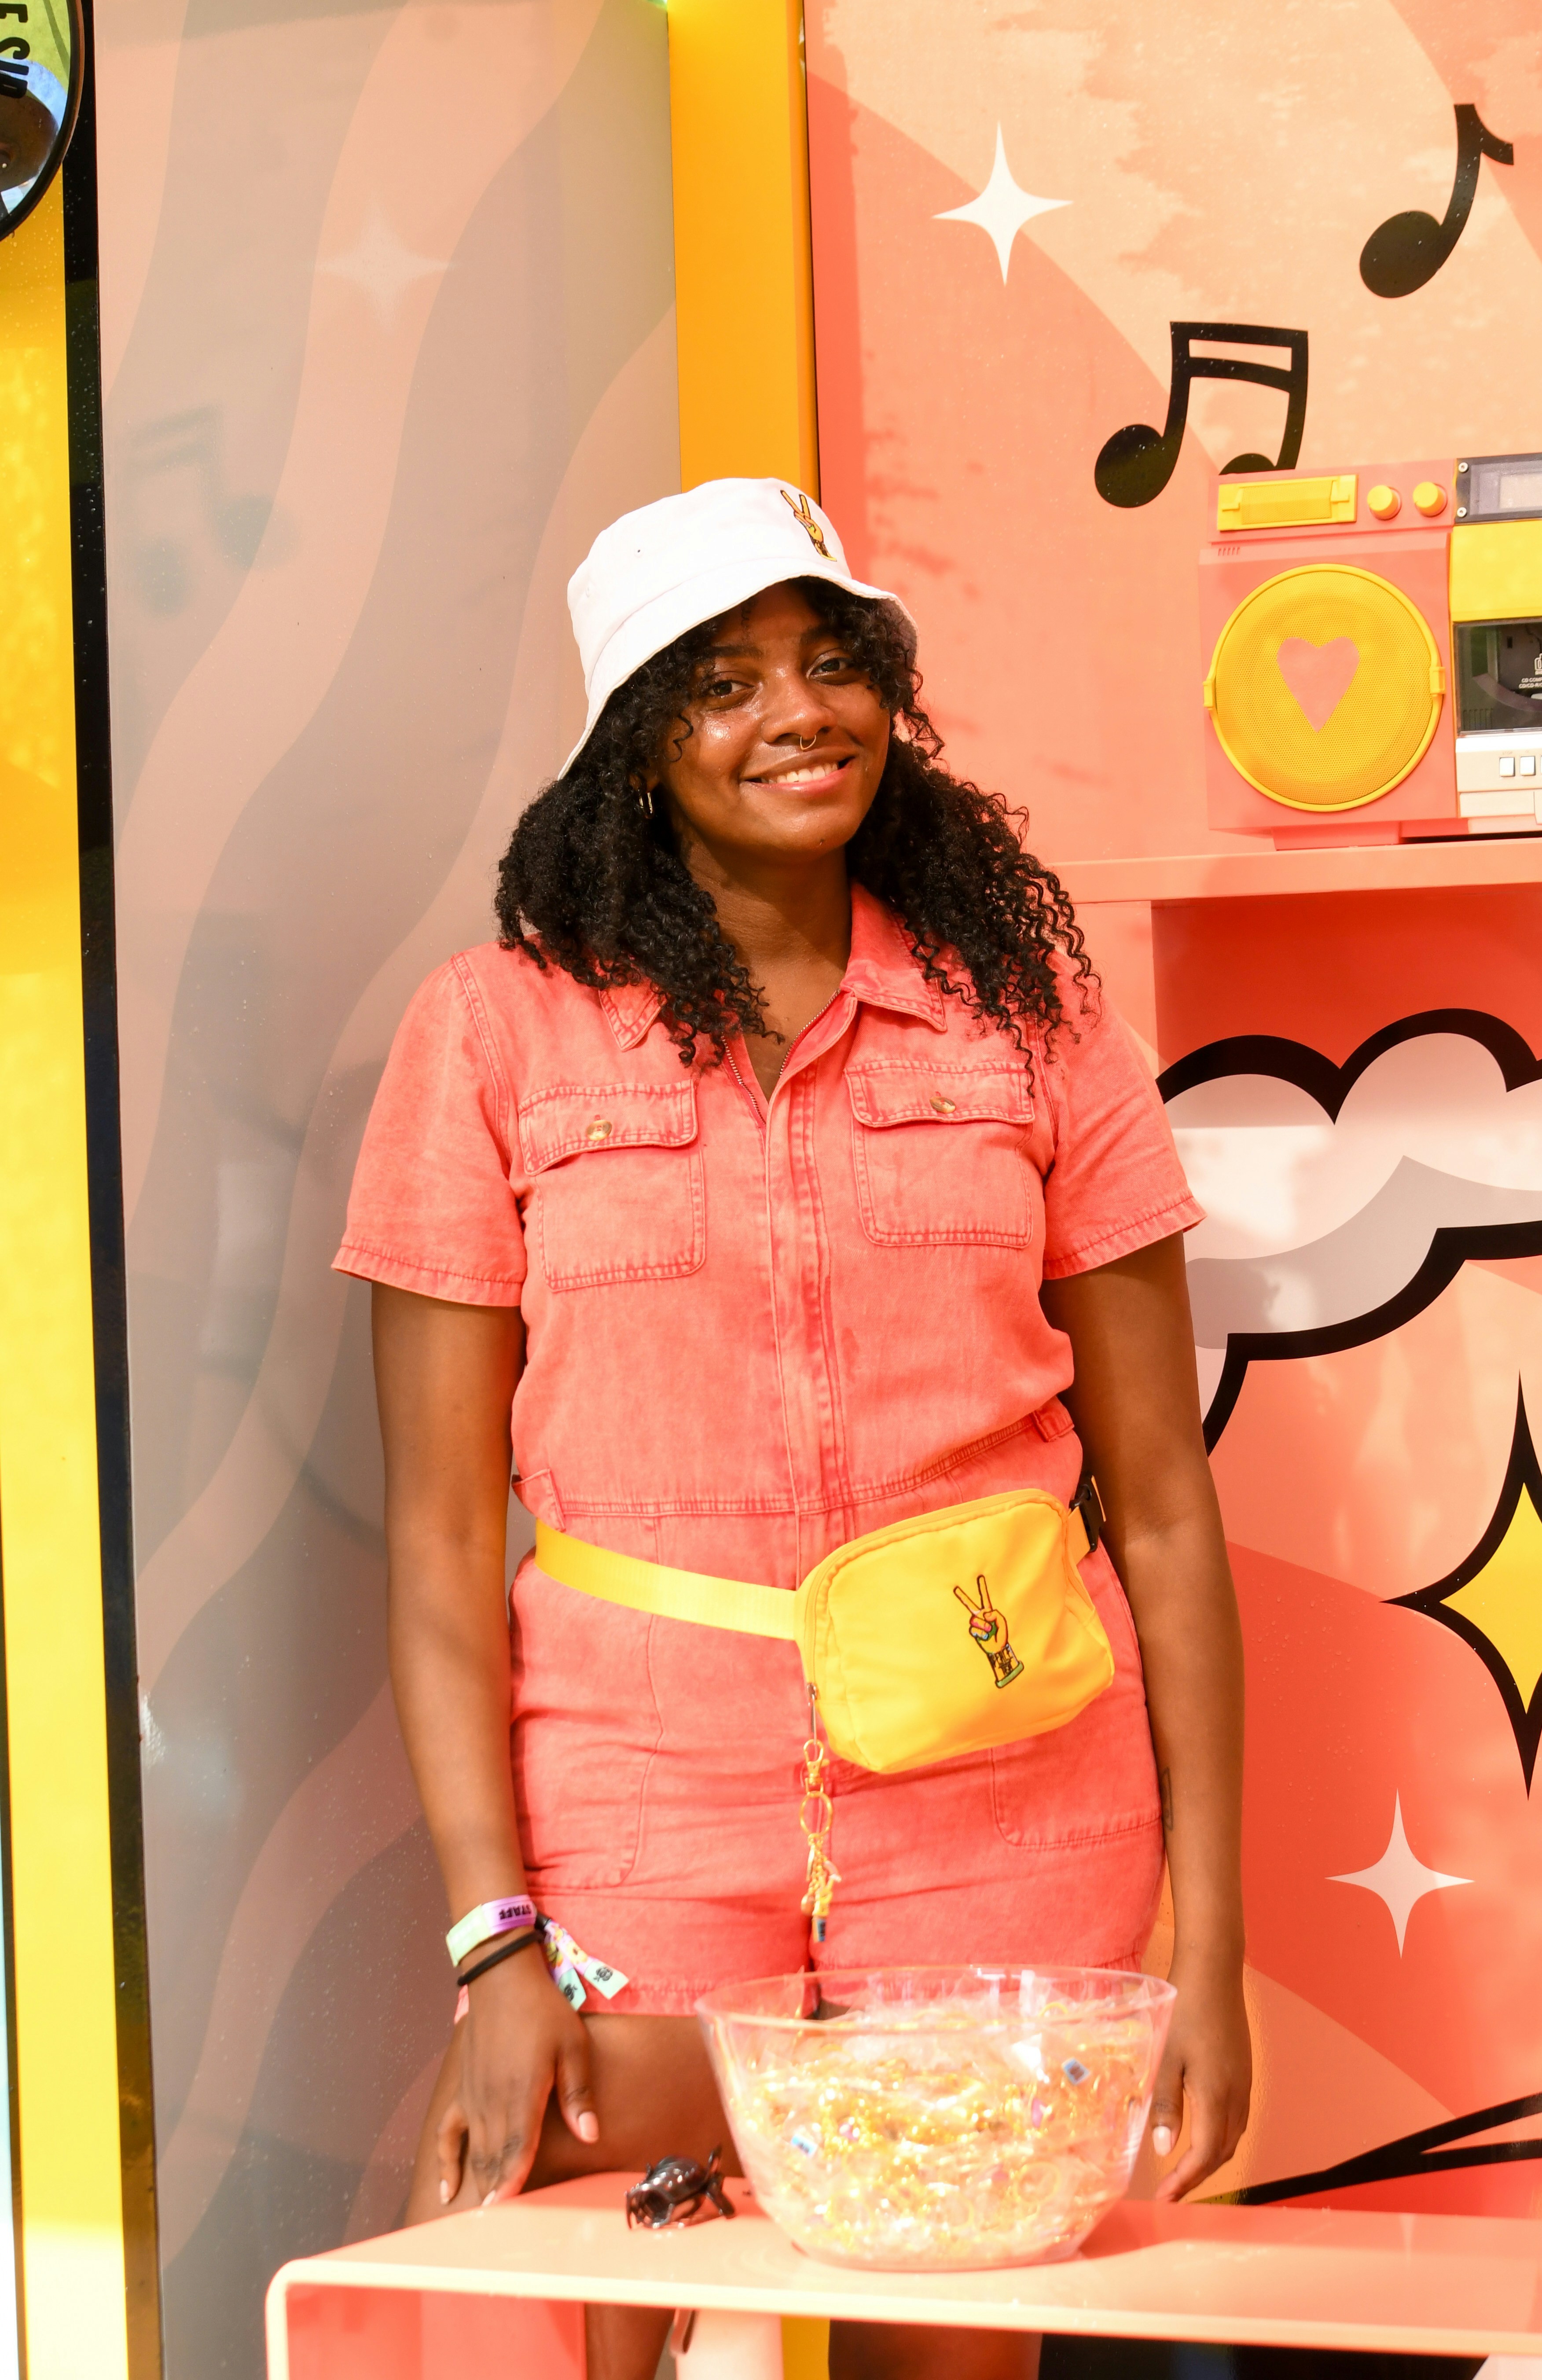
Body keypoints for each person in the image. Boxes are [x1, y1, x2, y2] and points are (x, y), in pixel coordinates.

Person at [336, 479, 1251, 2380]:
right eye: (724, 681)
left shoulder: (1033, 1021)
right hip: (637, 1807)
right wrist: (493, 1941)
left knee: (954, 2346)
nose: (799, 713)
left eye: (834, 661)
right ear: (633, 738)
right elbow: (438, 1541)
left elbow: (1164, 1507)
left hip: (1009, 1801)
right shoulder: (492, 1037)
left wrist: (1215, 1944)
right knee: (582, 2317)